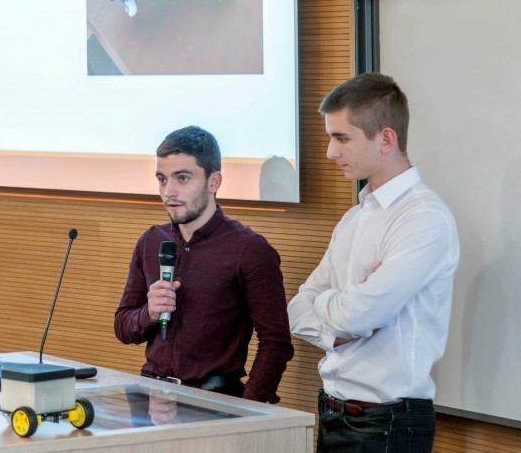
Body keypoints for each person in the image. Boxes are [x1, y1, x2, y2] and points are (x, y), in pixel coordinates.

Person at [288, 73, 460, 452]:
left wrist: (330, 305)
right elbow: (298, 311)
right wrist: (338, 325)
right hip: (333, 412)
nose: (330, 152)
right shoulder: (356, 216)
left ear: (386, 139)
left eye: (342, 138)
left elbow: (356, 316)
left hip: (388, 423)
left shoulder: (423, 218)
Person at [114, 126, 294, 403]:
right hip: (150, 397)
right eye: (162, 179)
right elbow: (123, 327)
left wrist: (246, 413)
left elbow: (276, 344)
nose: (169, 191)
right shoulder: (151, 241)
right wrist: (149, 313)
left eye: (183, 178)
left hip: (214, 402)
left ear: (213, 182)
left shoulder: (249, 249)